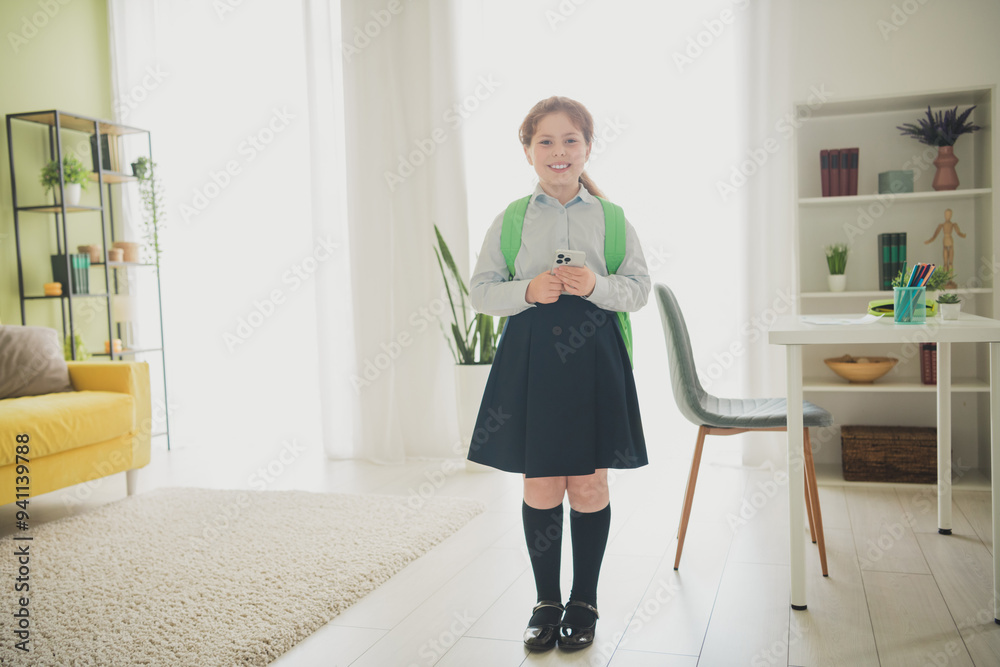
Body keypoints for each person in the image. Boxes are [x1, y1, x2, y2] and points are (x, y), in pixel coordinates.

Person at [467, 96, 650, 651]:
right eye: (545, 141)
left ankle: (584, 600)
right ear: (527, 150)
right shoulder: (512, 219)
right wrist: (528, 290)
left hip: (596, 362)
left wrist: (595, 286)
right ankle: (547, 600)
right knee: (543, 481)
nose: (559, 151)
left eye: (571, 140)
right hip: (532, 363)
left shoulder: (613, 219)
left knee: (590, 483)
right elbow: (480, 291)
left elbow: (639, 291)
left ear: (588, 148)